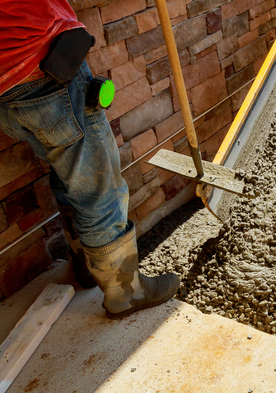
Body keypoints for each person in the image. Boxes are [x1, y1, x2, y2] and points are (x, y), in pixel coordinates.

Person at [0, 0, 180, 318]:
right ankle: (124, 292)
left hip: (7, 88)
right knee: (99, 187)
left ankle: (85, 265)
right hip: (41, 62)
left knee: (67, 169)